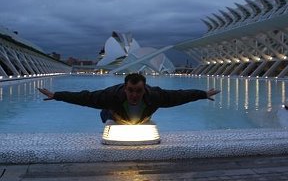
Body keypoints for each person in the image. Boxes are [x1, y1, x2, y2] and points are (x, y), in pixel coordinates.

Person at [38, 73, 220, 125]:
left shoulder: (154, 96)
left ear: (144, 89)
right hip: (115, 114)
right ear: (125, 88)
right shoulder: (111, 95)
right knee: (109, 117)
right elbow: (86, 97)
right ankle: (111, 116)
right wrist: (57, 96)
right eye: (131, 90)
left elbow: (178, 96)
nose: (134, 95)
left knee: (146, 123)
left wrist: (202, 94)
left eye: (138, 91)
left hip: (140, 118)